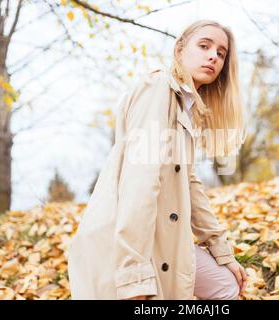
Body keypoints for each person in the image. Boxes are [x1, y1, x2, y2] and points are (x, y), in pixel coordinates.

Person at [67, 19, 248, 300]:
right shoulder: (158, 88)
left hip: (165, 238)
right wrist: (134, 275)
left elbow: (190, 185)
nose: (213, 55)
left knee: (225, 286)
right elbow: (140, 179)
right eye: (204, 46)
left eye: (221, 53)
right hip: (130, 241)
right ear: (179, 50)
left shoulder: (185, 109)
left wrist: (221, 251)